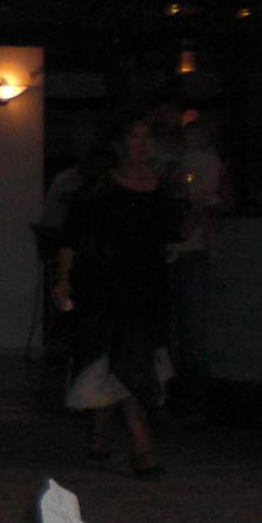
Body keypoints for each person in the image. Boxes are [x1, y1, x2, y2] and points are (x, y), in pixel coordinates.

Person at [53, 112, 183, 477]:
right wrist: (63, 279)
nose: (143, 145)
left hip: (147, 287)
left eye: (147, 137)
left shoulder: (160, 187)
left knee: (125, 360)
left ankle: (98, 435)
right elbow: (72, 236)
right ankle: (144, 449)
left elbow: (172, 233)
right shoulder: (102, 186)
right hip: (106, 285)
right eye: (135, 137)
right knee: (122, 360)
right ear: (120, 144)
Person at [163, 116, 231, 424]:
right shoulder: (175, 162)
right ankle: (172, 400)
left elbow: (215, 201)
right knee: (171, 333)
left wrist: (202, 207)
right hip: (172, 251)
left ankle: (192, 405)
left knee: (191, 334)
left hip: (190, 252)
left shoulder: (207, 162)